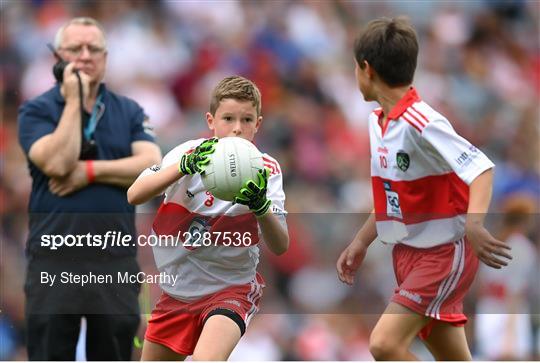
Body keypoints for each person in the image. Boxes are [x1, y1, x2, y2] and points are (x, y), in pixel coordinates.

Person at [336, 17, 512, 360]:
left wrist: (474, 224)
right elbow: (390, 197)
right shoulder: (378, 123)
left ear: (366, 69)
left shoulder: (422, 121)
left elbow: (481, 169)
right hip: (408, 255)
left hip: (443, 254)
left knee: (384, 344)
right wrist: (360, 242)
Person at [17, 17, 161, 360]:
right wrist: (72, 101)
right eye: (74, 49)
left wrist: (90, 172)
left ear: (106, 57)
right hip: (54, 259)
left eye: (93, 48)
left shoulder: (128, 111)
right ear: (57, 58)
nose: (84, 56)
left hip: (114, 260)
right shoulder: (36, 111)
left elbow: (152, 163)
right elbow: (57, 163)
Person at [127, 75, 289, 360]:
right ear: (211, 121)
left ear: (258, 125)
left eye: (247, 120)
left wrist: (261, 208)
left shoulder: (266, 170)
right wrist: (182, 167)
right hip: (176, 293)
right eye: (228, 118)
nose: (237, 129)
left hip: (230, 289)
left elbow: (280, 245)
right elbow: (134, 194)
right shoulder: (187, 153)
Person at [475, 195, 537, 360]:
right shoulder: (521, 246)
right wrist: (510, 334)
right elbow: (514, 292)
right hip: (508, 315)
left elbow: (481, 284)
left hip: (487, 308)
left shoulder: (492, 241)